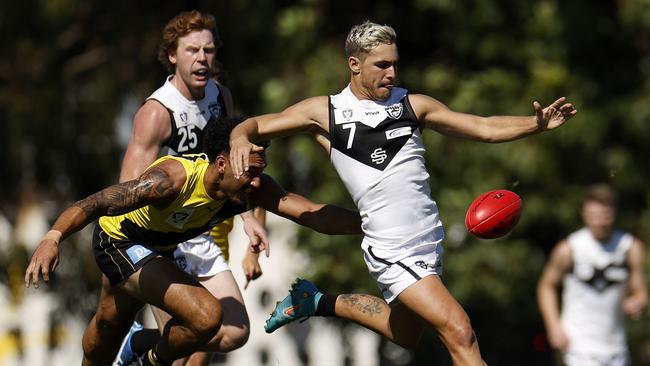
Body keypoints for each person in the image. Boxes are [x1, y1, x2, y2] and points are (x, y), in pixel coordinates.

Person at [228, 21, 577, 366]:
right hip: (391, 248)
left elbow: (482, 127)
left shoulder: (413, 105)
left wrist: (536, 125)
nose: (392, 72)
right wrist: (240, 139)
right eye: (382, 65)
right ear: (354, 64)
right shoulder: (325, 112)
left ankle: (316, 301)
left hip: (429, 243)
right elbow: (253, 126)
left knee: (404, 334)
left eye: (395, 63)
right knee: (460, 332)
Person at [24, 116, 362, 366]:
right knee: (206, 316)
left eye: (261, 171)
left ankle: (137, 346)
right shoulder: (172, 179)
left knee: (108, 330)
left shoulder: (248, 189)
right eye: (251, 173)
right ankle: (149, 362)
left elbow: (313, 214)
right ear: (221, 163)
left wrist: (370, 225)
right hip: (119, 242)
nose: (257, 183)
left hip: (157, 250)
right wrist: (54, 236)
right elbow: (97, 202)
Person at [114, 10, 265, 366]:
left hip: (201, 232)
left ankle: (139, 343)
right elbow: (127, 191)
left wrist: (249, 218)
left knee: (234, 331)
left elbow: (235, 168)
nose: (202, 59)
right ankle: (138, 346)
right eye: (192, 50)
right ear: (172, 55)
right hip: (159, 238)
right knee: (183, 351)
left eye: (208, 50)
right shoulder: (157, 112)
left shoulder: (220, 97)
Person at [537, 184, 647, 366]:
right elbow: (546, 286)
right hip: (577, 348)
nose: (600, 222)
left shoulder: (630, 248)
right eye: (594, 215)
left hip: (616, 348)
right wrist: (554, 326)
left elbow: (641, 292)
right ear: (584, 215)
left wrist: (638, 303)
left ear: (614, 213)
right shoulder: (569, 249)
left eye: (605, 215)